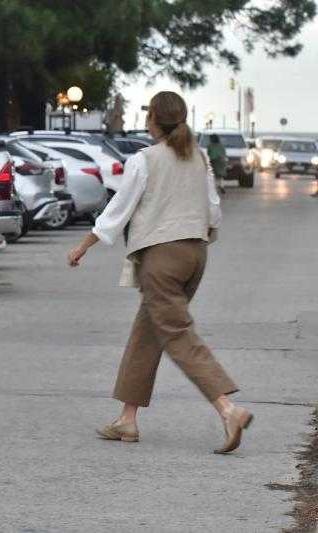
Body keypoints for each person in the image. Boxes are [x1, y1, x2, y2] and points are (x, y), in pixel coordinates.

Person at [67, 91, 252, 454]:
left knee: (176, 333)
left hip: (162, 257)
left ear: (153, 119)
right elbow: (213, 211)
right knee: (149, 329)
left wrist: (83, 245)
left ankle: (227, 409)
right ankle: (127, 419)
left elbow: (118, 209)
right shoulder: (199, 157)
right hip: (196, 252)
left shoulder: (144, 160)